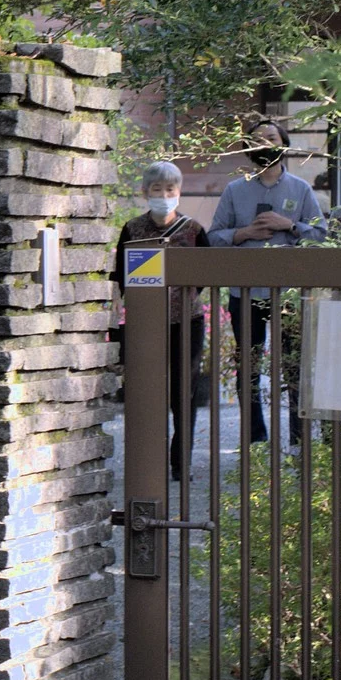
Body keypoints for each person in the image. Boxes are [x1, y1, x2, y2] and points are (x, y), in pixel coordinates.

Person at [208, 117, 327, 441]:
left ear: (283, 144)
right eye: (258, 139)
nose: (266, 143)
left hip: (290, 293)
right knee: (248, 365)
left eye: (272, 137)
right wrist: (244, 233)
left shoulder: (300, 189)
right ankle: (255, 437)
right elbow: (213, 237)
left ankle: (298, 438)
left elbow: (320, 236)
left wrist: (288, 225)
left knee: (295, 365)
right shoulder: (235, 190)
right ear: (249, 148)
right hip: (245, 291)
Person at [116, 162, 206, 477]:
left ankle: (181, 463)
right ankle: (148, 463)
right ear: (145, 192)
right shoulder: (132, 229)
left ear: (178, 193)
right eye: (157, 189)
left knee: (185, 393)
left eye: (170, 189)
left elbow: (204, 274)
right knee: (147, 391)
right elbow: (122, 277)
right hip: (146, 323)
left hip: (187, 322)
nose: (164, 195)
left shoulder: (193, 229)